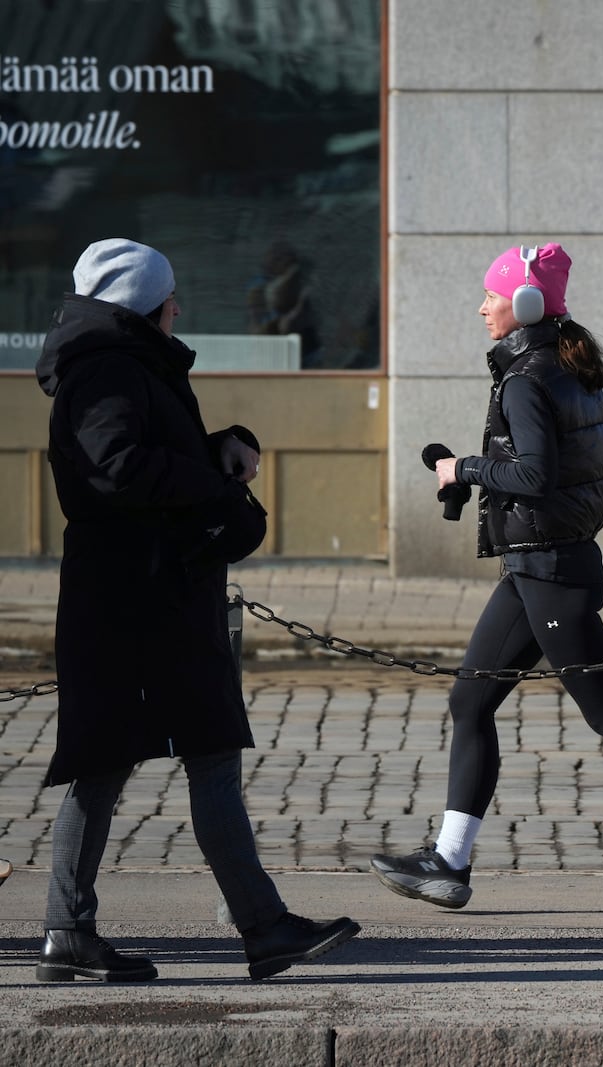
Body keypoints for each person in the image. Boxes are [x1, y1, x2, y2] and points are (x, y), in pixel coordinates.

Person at [369, 244, 603, 917]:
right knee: (471, 702)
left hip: (550, 570)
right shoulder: (569, 366)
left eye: (490, 295)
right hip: (538, 568)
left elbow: (535, 476)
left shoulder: (525, 378)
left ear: (520, 304)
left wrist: (463, 468)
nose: (481, 306)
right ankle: (449, 862)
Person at [35, 238, 360, 982]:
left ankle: (73, 929)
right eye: (170, 298)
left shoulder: (117, 362)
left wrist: (216, 447)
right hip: (140, 601)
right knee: (172, 757)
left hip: (143, 596)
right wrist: (213, 486)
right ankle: (259, 926)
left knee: (121, 761)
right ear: (145, 305)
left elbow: (142, 453)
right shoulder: (111, 367)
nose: (178, 308)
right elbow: (116, 467)